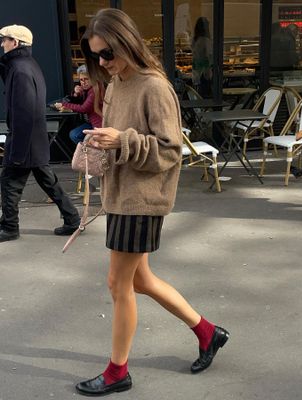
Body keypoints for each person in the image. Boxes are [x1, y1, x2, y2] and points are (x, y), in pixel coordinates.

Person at [74, 8, 229, 397]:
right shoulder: (115, 84)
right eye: (95, 56)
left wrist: (121, 141)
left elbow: (170, 151)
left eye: (107, 53)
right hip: (120, 195)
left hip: (142, 199)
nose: (103, 62)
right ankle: (208, 332)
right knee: (140, 280)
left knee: (118, 284)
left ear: (127, 42)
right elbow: (122, 137)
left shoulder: (153, 86)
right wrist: (103, 140)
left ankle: (117, 372)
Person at [0, 25, 80, 242]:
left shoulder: (19, 69)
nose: (1, 44)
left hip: (23, 141)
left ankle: (9, 228)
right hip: (33, 139)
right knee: (47, 181)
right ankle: (72, 219)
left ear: (14, 43)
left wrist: (16, 151)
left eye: (4, 40)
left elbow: (24, 112)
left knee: (9, 183)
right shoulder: (26, 65)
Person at [55, 64, 104, 144]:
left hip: (99, 125)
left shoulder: (95, 90)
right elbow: (79, 102)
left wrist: (64, 105)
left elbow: (83, 108)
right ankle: (88, 150)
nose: (83, 82)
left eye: (86, 79)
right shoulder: (88, 90)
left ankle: (89, 151)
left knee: (75, 135)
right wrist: (76, 94)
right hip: (91, 123)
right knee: (74, 134)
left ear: (93, 78)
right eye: (81, 80)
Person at [191, 17, 213, 98]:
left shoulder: (194, 40)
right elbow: (208, 56)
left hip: (196, 70)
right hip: (204, 72)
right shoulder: (205, 41)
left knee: (198, 94)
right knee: (205, 95)